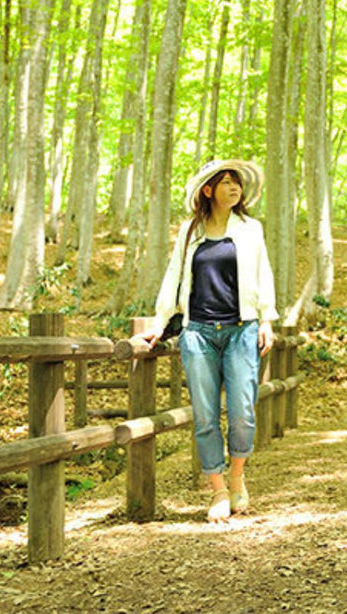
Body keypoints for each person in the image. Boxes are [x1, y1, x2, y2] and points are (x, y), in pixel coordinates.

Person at [139, 158, 277, 522]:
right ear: (208, 190)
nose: (235, 188)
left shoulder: (251, 229)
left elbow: (263, 273)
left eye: (238, 183)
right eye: (227, 182)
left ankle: (237, 477)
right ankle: (218, 489)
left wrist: (267, 318)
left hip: (241, 330)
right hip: (198, 332)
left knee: (243, 411)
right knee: (204, 415)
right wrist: (160, 321)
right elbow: (173, 275)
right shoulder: (190, 231)